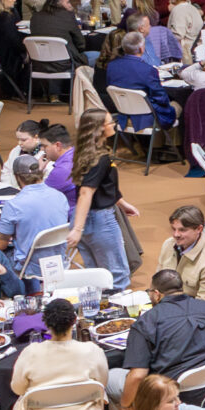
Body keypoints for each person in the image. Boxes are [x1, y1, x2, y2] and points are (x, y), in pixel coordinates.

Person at [113, 267, 205, 409]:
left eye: (150, 292)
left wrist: (125, 406)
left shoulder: (146, 322)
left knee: (111, 377)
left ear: (157, 294)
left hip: (170, 395)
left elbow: (138, 375)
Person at [64, 110, 138, 288]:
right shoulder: (101, 159)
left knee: (96, 274)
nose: (113, 124)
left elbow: (102, 186)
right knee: (117, 275)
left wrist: (121, 202)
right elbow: (86, 193)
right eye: (109, 122)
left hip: (82, 217)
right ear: (99, 129)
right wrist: (78, 229)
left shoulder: (84, 153)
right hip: (99, 220)